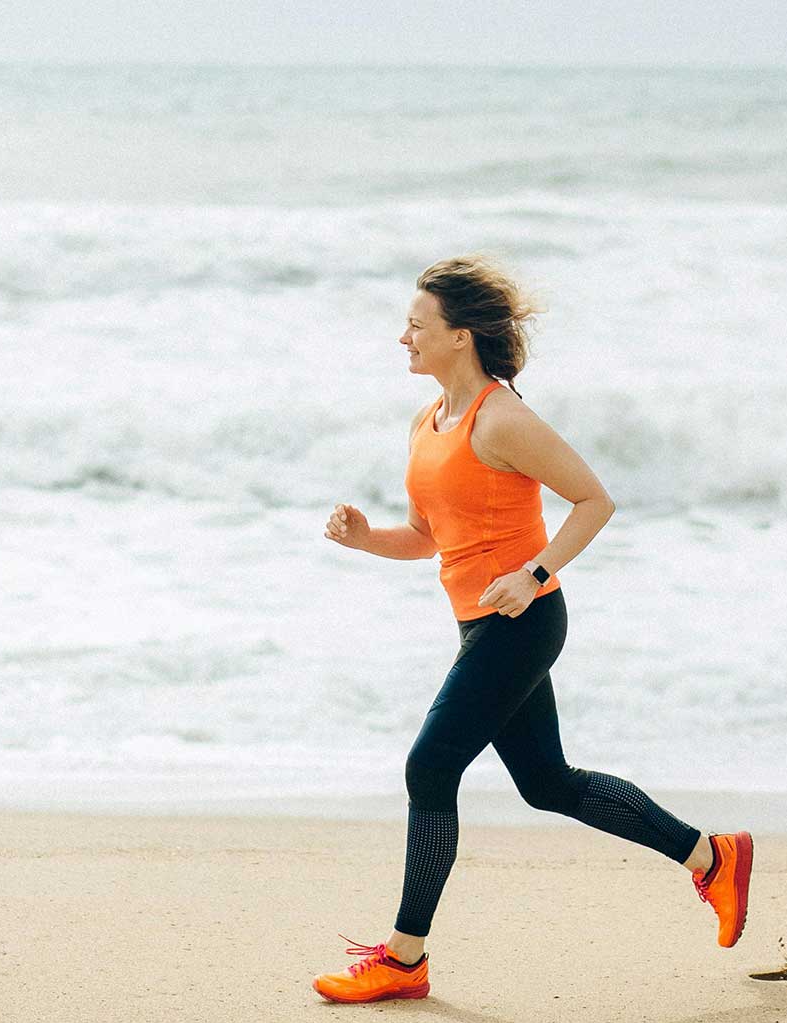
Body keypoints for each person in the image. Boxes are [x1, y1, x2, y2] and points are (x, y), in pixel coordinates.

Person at [310, 255, 754, 1004]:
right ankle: (711, 856)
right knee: (549, 784)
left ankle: (404, 958)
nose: (402, 338)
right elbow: (427, 534)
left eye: (416, 325)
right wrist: (363, 539)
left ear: (460, 335)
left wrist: (536, 573)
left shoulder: (503, 417)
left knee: (430, 765)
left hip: (522, 621)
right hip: (480, 625)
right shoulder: (430, 420)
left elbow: (593, 499)